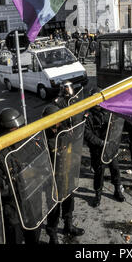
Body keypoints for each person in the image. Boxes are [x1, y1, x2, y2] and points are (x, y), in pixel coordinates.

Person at [0, 108, 41, 244]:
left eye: (21, 127)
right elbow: (0, 188)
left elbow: (40, 163)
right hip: (13, 208)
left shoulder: (28, 142)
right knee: (14, 238)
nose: (21, 130)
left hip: (31, 200)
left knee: (34, 234)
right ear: (6, 131)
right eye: (15, 129)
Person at [42, 104, 85, 244]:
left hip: (66, 173)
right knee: (53, 207)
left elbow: (74, 146)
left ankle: (68, 225)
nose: (57, 122)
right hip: (52, 178)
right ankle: (52, 235)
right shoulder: (42, 136)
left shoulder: (65, 131)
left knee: (68, 202)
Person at [84, 89, 125, 207]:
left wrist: (113, 140)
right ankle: (98, 194)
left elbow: (117, 126)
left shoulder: (108, 111)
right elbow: (88, 134)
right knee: (99, 173)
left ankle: (117, 190)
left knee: (115, 169)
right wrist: (102, 143)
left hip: (110, 147)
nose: (97, 103)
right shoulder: (88, 115)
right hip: (98, 149)